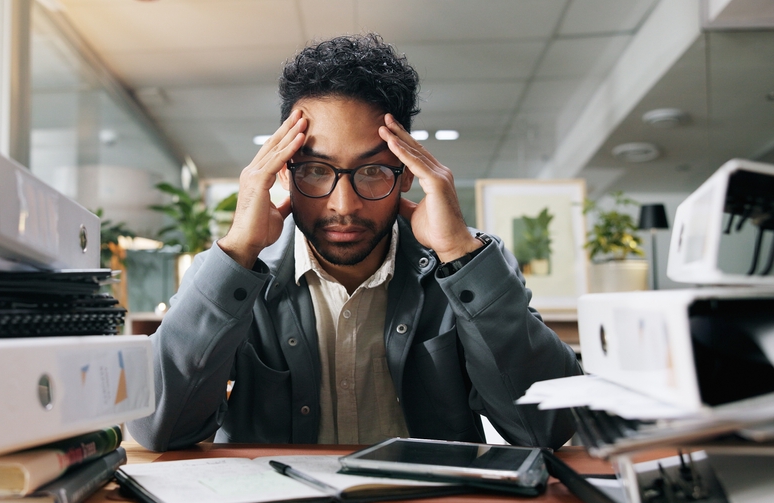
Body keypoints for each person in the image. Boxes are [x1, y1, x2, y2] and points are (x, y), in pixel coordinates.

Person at [129, 34, 582, 452]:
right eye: (315, 170)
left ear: (408, 172)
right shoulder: (240, 272)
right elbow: (159, 429)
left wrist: (459, 254)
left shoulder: (468, 264)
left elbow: (551, 428)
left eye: (372, 171)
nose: (343, 205)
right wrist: (238, 253)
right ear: (283, 172)